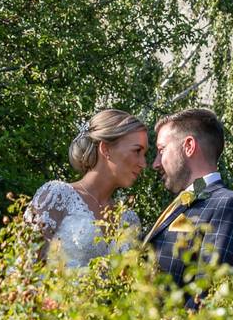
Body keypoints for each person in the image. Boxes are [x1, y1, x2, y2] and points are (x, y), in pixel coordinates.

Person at [144, 108, 233, 289]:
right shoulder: (181, 202)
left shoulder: (228, 206)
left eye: (161, 150)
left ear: (189, 146)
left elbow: (209, 290)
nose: (155, 163)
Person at [25, 109, 148, 267]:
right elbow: (22, 272)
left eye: (145, 154)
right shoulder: (56, 196)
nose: (143, 163)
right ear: (106, 149)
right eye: (137, 151)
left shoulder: (129, 220)